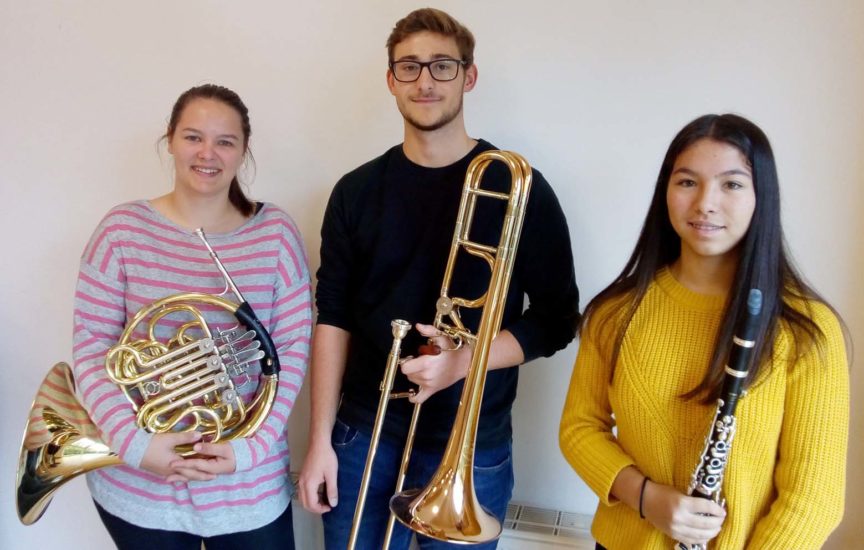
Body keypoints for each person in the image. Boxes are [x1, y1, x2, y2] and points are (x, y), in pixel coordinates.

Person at [297, 7, 579, 549]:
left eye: (442, 66)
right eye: (409, 67)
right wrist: (319, 442)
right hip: (363, 432)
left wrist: (462, 363)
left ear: (469, 76)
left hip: (472, 439)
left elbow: (556, 320)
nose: (425, 81)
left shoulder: (520, 187)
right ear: (391, 81)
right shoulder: (355, 192)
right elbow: (332, 316)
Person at [559, 114, 849, 549]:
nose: (705, 203)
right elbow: (579, 428)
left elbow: (814, 499)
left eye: (731, 184)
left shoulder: (806, 331)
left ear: (761, 197)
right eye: (687, 182)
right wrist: (645, 497)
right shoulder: (615, 312)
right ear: (666, 191)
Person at [72, 84, 311, 549]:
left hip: (247, 484)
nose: (208, 153)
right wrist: (135, 444)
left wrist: (249, 447)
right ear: (170, 140)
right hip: (140, 484)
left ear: (243, 150)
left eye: (225, 141)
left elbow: (292, 351)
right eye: (193, 137)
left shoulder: (276, 232)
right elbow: (92, 347)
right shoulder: (121, 230)